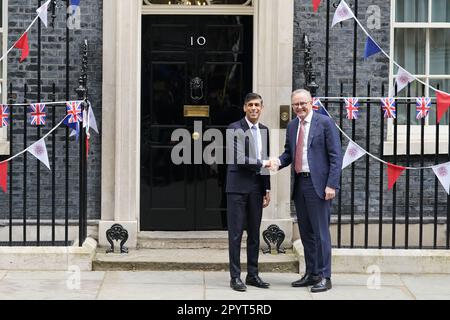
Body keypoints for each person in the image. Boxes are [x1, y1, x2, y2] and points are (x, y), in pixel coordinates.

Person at [271, 89, 342, 293]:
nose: (299, 107)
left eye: (303, 103)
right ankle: (311, 273)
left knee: (321, 234)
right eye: (296, 105)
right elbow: (289, 153)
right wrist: (277, 162)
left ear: (311, 103)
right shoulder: (293, 126)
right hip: (300, 184)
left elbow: (336, 156)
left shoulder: (325, 123)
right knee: (306, 233)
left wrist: (331, 184)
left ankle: (325, 276)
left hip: (318, 185)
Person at [225, 92, 271, 292]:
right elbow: (239, 158)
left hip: (256, 189)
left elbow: (265, 160)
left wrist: (266, 188)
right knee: (235, 234)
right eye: (250, 105)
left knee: (254, 233)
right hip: (237, 188)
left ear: (262, 108)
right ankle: (235, 277)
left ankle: (252, 274)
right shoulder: (234, 128)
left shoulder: (265, 130)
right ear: (244, 107)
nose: (254, 108)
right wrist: (264, 163)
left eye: (257, 105)